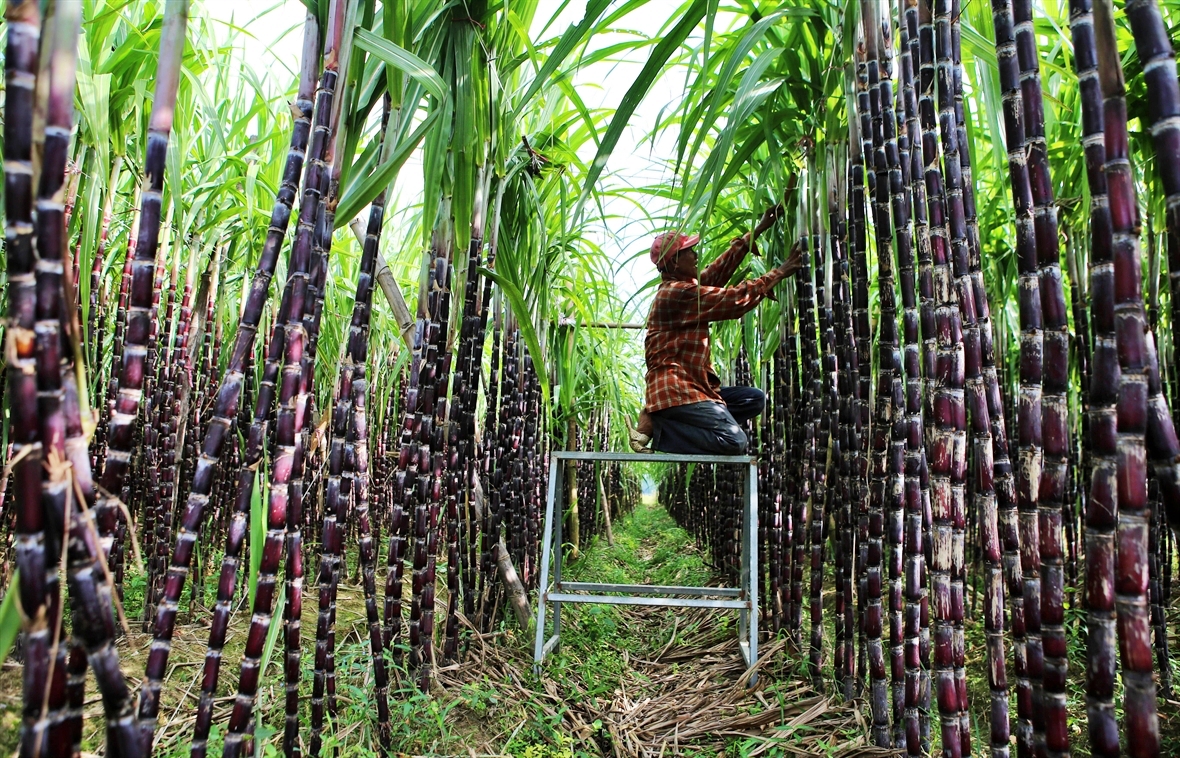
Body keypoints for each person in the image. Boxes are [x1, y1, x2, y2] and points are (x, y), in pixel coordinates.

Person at [630, 206, 803, 455]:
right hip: (677, 391)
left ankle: (666, 419)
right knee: (735, 441)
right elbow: (733, 301)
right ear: (676, 261)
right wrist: (780, 272)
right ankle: (660, 428)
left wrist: (757, 230)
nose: (696, 254)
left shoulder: (683, 288)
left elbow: (715, 273)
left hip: (695, 387)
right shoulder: (675, 294)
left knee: (753, 398)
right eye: (689, 251)